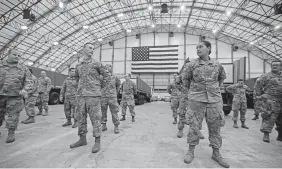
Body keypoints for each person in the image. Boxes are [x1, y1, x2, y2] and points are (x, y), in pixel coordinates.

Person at [182, 40, 229, 168]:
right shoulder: (191, 65)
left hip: (214, 100)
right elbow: (185, 80)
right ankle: (190, 151)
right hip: (196, 100)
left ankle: (216, 153)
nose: (198, 49)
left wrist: (214, 90)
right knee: (194, 126)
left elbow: (222, 78)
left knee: (215, 127)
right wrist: (191, 95)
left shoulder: (217, 64)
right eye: (197, 47)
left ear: (208, 48)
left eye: (201, 47)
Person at [70, 43, 110, 153]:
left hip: (93, 96)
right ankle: (82, 139)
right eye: (90, 48)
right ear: (83, 50)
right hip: (81, 96)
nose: (92, 50)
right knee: (80, 118)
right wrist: (79, 90)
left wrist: (99, 89)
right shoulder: (78, 65)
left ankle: (97, 141)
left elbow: (107, 76)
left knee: (96, 119)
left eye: (93, 48)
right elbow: (77, 78)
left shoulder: (97, 63)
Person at [0, 49, 32, 143]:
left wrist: (25, 90)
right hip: (1, 95)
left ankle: (11, 133)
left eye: (19, 56)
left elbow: (29, 81)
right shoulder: (1, 65)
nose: (17, 57)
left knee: (13, 116)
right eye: (15, 55)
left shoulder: (23, 68)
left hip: (15, 96)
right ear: (8, 54)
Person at [254, 61, 282, 143]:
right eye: (273, 65)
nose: (275, 66)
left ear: (280, 66)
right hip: (270, 100)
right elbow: (257, 85)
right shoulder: (266, 76)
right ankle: (266, 134)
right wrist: (259, 96)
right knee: (269, 117)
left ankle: (280, 134)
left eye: (277, 65)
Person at [176, 59, 204, 139]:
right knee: (182, 113)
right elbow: (177, 83)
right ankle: (180, 130)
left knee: (196, 114)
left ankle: (197, 130)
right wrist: (182, 90)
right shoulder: (182, 75)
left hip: (195, 97)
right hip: (185, 97)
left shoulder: (196, 75)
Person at [101, 64, 121, 133]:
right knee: (103, 112)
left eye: (110, 66)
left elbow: (118, 85)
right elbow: (99, 84)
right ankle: (104, 125)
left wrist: (115, 92)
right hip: (103, 97)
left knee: (114, 112)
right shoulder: (102, 76)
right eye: (106, 66)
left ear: (112, 68)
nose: (108, 68)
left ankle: (116, 126)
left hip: (112, 97)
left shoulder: (115, 77)